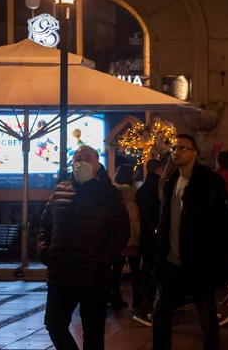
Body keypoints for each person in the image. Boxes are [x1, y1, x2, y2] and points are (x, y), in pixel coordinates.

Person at [37, 146, 130, 350]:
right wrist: (44, 250)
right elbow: (45, 224)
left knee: (94, 332)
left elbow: (121, 230)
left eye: (88, 157)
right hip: (60, 274)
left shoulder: (109, 193)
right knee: (54, 325)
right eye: (78, 157)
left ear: (97, 165)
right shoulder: (60, 189)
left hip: (93, 276)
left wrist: (103, 260)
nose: (81, 161)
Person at [152, 134, 228, 350]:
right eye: (174, 148)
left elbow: (222, 222)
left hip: (200, 261)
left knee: (207, 317)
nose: (177, 152)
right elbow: (164, 220)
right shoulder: (171, 181)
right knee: (161, 315)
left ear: (195, 153)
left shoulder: (209, 182)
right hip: (171, 260)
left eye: (183, 148)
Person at [134, 158, 163, 326]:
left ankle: (145, 298)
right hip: (156, 233)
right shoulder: (159, 187)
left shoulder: (142, 189)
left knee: (146, 266)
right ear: (159, 169)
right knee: (155, 267)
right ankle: (148, 304)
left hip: (145, 234)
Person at [111, 164, 142, 310]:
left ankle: (115, 297)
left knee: (116, 271)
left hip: (118, 238)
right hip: (131, 238)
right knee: (136, 271)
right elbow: (134, 220)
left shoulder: (114, 193)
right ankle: (137, 299)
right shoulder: (132, 195)